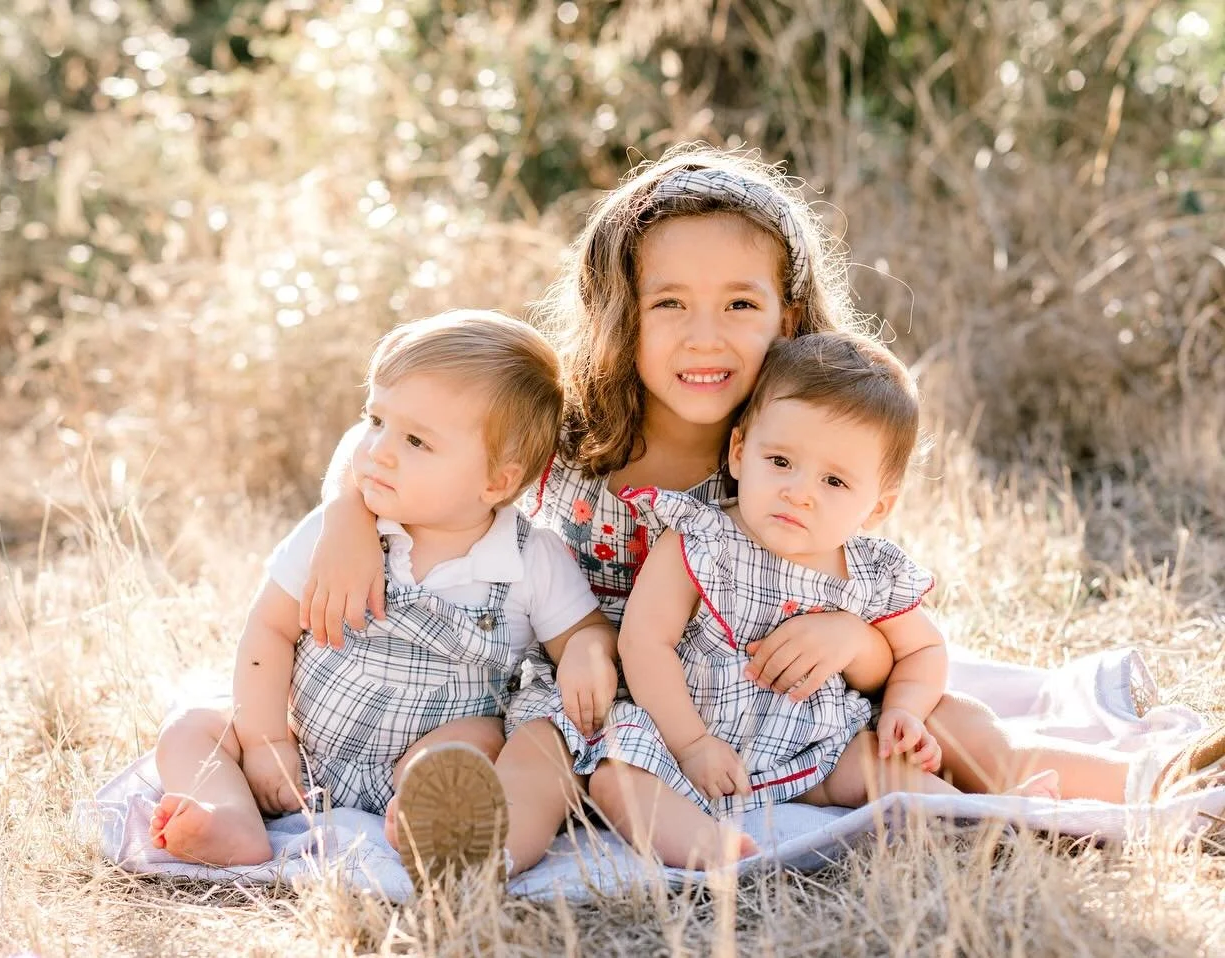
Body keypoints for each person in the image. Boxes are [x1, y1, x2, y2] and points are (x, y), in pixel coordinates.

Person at [302, 145, 1225, 880]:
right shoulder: (567, 426)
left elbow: (875, 616)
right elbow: (397, 432)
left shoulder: (793, 439)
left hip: (766, 678)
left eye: (739, 303)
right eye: (670, 303)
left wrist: (851, 644)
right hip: (589, 683)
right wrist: (348, 509)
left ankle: (1149, 784)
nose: (705, 337)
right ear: (622, 312)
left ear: (786, 316)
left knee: (951, 717)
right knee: (541, 757)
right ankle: (474, 855)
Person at [146, 310, 617, 891]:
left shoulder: (529, 558)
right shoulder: (337, 532)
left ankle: (434, 820)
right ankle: (232, 821)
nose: (379, 451)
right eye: (376, 420)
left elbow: (585, 631)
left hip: (427, 757)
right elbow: (268, 630)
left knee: (486, 739)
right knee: (191, 727)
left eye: (416, 440)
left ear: (497, 480)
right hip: (301, 752)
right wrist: (267, 742)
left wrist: (585, 653)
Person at [588, 332, 1058, 868]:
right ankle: (708, 849)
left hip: (814, 741)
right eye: (781, 461)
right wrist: (691, 743)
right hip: (686, 732)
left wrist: (904, 711)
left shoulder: (868, 569)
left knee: (883, 766)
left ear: (876, 506)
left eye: (834, 480)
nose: (800, 491)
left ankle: (980, 826)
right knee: (615, 771)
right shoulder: (699, 539)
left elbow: (923, 650)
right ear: (740, 452)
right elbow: (645, 641)